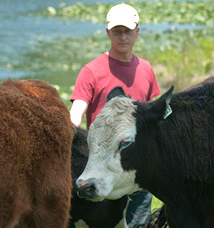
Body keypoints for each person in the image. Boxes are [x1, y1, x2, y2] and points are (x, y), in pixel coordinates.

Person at [69, 3, 161, 227]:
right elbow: (75, 116)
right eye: (117, 31)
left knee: (138, 223)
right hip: (104, 167)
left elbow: (153, 116)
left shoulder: (146, 69)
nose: (123, 37)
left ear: (137, 32)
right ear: (108, 32)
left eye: (128, 31)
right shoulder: (91, 71)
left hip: (139, 168)